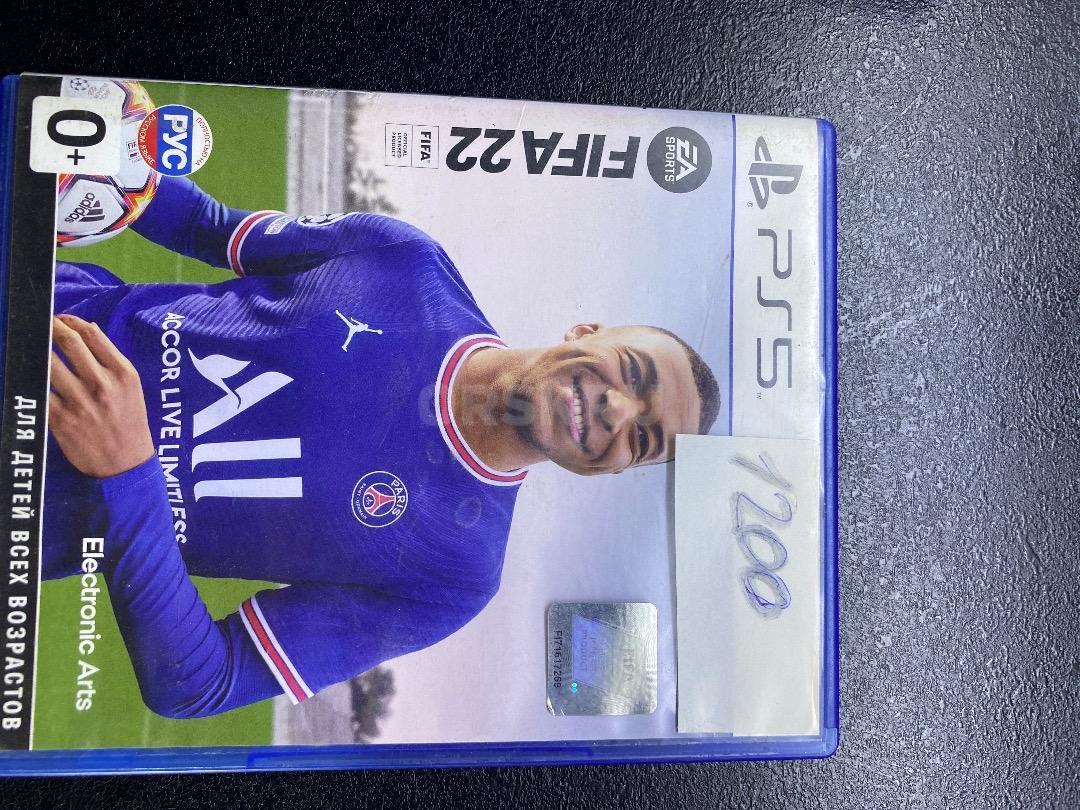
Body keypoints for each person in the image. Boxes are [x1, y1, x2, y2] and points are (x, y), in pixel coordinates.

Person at [45, 175, 720, 718]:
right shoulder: (406, 262)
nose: (617, 408)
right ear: (588, 329)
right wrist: (120, 158)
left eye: (642, 438)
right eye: (633, 372)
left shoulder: (455, 575)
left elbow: (200, 682)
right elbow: (204, 224)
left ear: (616, 471)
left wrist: (129, 474)